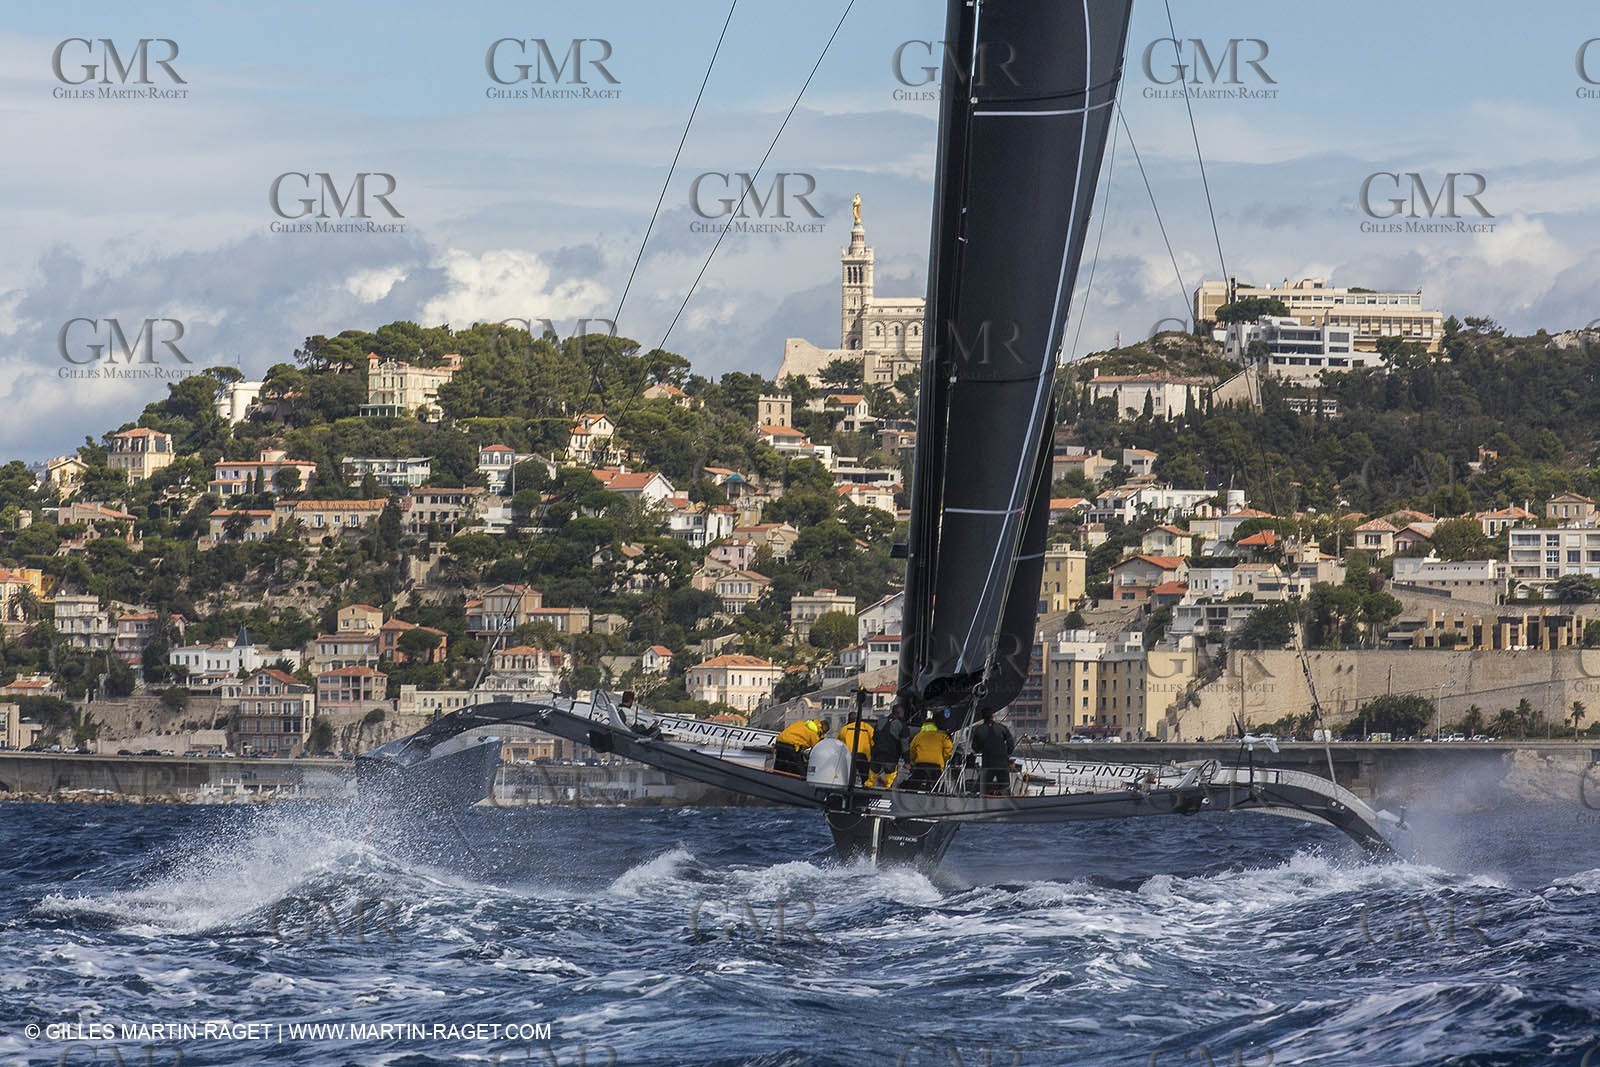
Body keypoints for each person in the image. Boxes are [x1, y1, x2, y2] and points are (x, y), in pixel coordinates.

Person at [968, 708, 1015, 794]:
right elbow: (1010, 741)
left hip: (988, 762)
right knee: (1004, 785)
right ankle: (1005, 800)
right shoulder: (1002, 728)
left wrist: (979, 749)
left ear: (983, 717)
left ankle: (975, 797)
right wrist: (1008, 752)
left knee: (981, 785)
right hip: (1002, 761)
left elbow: (975, 747)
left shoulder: (979, 730)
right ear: (992, 716)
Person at [867, 705, 910, 788]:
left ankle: (866, 792)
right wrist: (907, 761)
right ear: (901, 713)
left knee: (871, 779)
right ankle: (886, 794)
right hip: (891, 756)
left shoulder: (880, 721)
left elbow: (874, 738)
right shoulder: (902, 725)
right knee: (889, 780)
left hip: (877, 754)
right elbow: (905, 745)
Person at [904, 720, 954, 791]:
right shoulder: (942, 736)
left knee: (914, 785)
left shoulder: (918, 736)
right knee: (938, 787)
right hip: (936, 765)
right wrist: (944, 758)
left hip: (920, 764)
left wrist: (913, 760)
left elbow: (912, 750)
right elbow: (949, 748)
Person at [835, 717, 876, 786]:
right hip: (863, 756)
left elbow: (839, 743)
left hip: (849, 755)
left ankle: (849, 787)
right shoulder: (867, 727)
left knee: (849, 775)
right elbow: (874, 742)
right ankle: (865, 788)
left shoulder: (844, 729)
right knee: (865, 775)